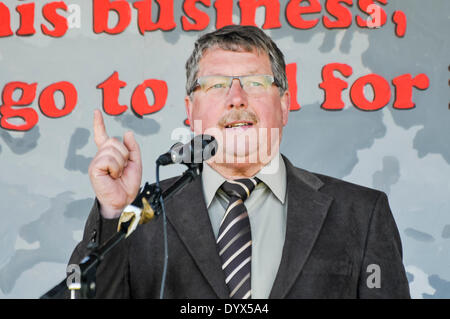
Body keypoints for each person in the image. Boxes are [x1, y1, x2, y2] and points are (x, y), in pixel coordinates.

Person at [68, 25, 410, 299]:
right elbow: (82, 296)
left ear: (285, 105)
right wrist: (113, 212)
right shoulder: (140, 211)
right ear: (190, 112)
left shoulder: (362, 214)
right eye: (216, 85)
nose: (236, 99)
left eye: (255, 83)